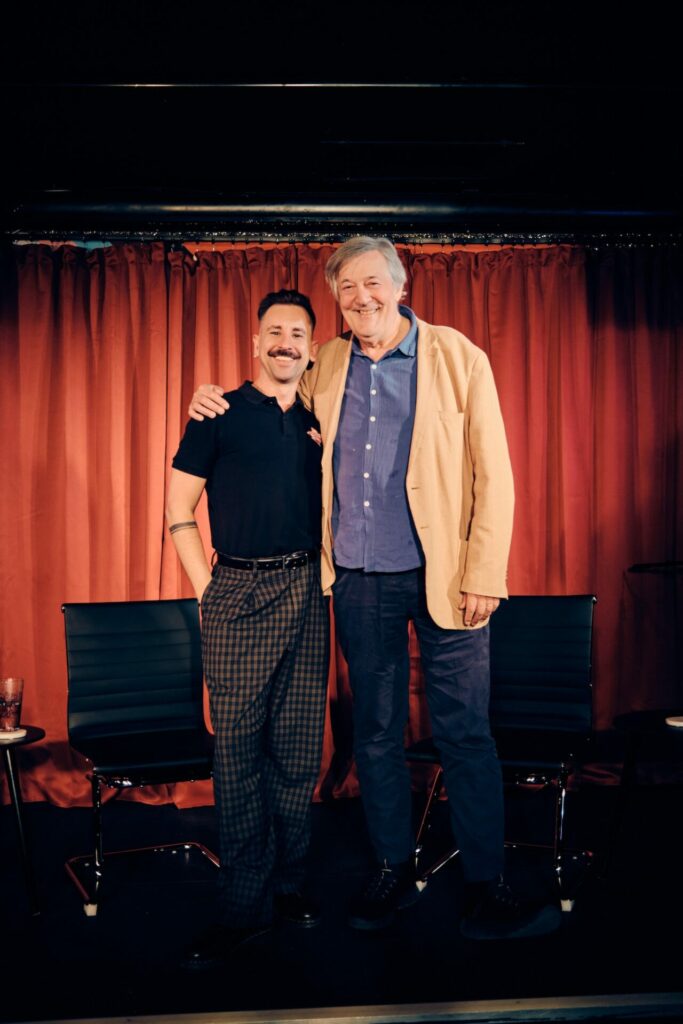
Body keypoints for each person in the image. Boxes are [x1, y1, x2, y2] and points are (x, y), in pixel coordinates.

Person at [188, 238, 560, 940]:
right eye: (346, 289)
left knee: (465, 733)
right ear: (336, 300)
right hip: (360, 577)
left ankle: (487, 880)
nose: (361, 298)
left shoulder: (457, 357)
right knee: (378, 735)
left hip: (448, 578)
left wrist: (484, 572)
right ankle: (392, 865)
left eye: (372, 283)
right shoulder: (325, 359)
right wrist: (208, 396)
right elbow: (268, 387)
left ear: (400, 283)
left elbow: (496, 474)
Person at [167, 289, 329, 969]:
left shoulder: (325, 419)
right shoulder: (217, 412)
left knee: (297, 756)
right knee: (236, 760)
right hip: (237, 588)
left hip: (307, 591)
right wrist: (209, 593)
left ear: (311, 347)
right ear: (255, 342)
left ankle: (286, 887)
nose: (285, 341)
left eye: (297, 332)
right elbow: (177, 511)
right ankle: (243, 908)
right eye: (274, 331)